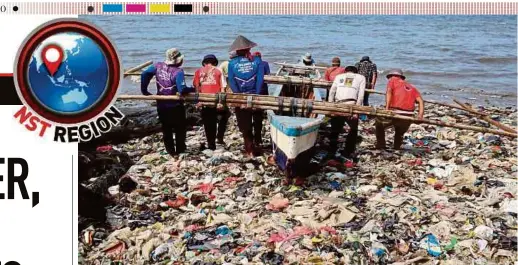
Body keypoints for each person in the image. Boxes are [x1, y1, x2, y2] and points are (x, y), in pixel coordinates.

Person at [141, 48, 189, 156]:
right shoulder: (178, 71)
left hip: (162, 104)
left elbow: (144, 74)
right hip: (176, 105)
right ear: (178, 60)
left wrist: (144, 90)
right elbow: (182, 89)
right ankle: (180, 149)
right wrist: (191, 89)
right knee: (179, 127)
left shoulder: (157, 66)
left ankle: (170, 151)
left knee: (166, 128)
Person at [227, 35, 265, 157]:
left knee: (245, 124)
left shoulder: (232, 63)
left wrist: (239, 96)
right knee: (258, 121)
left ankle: (249, 149)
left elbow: (232, 82)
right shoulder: (257, 61)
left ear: (237, 50)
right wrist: (257, 95)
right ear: (249, 49)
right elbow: (260, 80)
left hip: (241, 96)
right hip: (255, 95)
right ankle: (258, 142)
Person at [375, 69, 424, 150]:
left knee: (379, 123)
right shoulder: (412, 87)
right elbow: (421, 101)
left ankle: (381, 145)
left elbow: (389, 92)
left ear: (391, 76)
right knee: (399, 131)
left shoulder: (392, 81)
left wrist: (387, 108)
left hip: (396, 113)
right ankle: (397, 147)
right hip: (408, 116)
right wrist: (420, 115)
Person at [327, 66, 366, 158]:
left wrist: (330, 106)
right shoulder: (361, 77)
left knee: (335, 129)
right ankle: (348, 151)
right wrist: (356, 111)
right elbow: (361, 96)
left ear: (346, 71)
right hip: (351, 105)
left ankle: (332, 150)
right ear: (355, 72)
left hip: (338, 105)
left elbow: (332, 92)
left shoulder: (339, 76)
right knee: (353, 129)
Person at [193, 54, 230, 150]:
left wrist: (198, 101)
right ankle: (219, 138)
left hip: (204, 101)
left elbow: (196, 88)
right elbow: (223, 87)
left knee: (208, 123)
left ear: (204, 62)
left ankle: (211, 144)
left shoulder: (198, 72)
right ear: (215, 62)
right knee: (224, 116)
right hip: (216, 100)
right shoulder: (218, 71)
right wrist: (221, 102)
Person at [251, 51, 270, 146]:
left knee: (252, 115)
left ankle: (252, 138)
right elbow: (268, 75)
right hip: (263, 92)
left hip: (252, 91)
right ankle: (258, 138)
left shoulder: (252, 64)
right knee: (258, 116)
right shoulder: (265, 64)